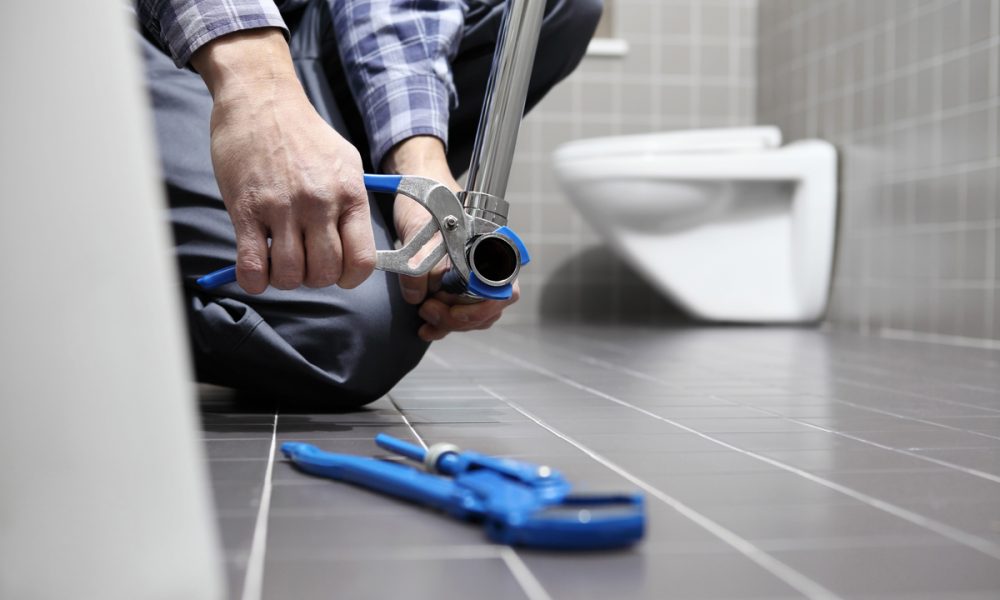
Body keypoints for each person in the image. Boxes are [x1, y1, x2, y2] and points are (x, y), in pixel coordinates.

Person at [136, 0, 601, 405]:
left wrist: (420, 163)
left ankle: (337, 206)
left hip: (297, 23)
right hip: (138, 29)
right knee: (349, 341)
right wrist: (258, 91)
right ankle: (100, 295)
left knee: (564, 8)